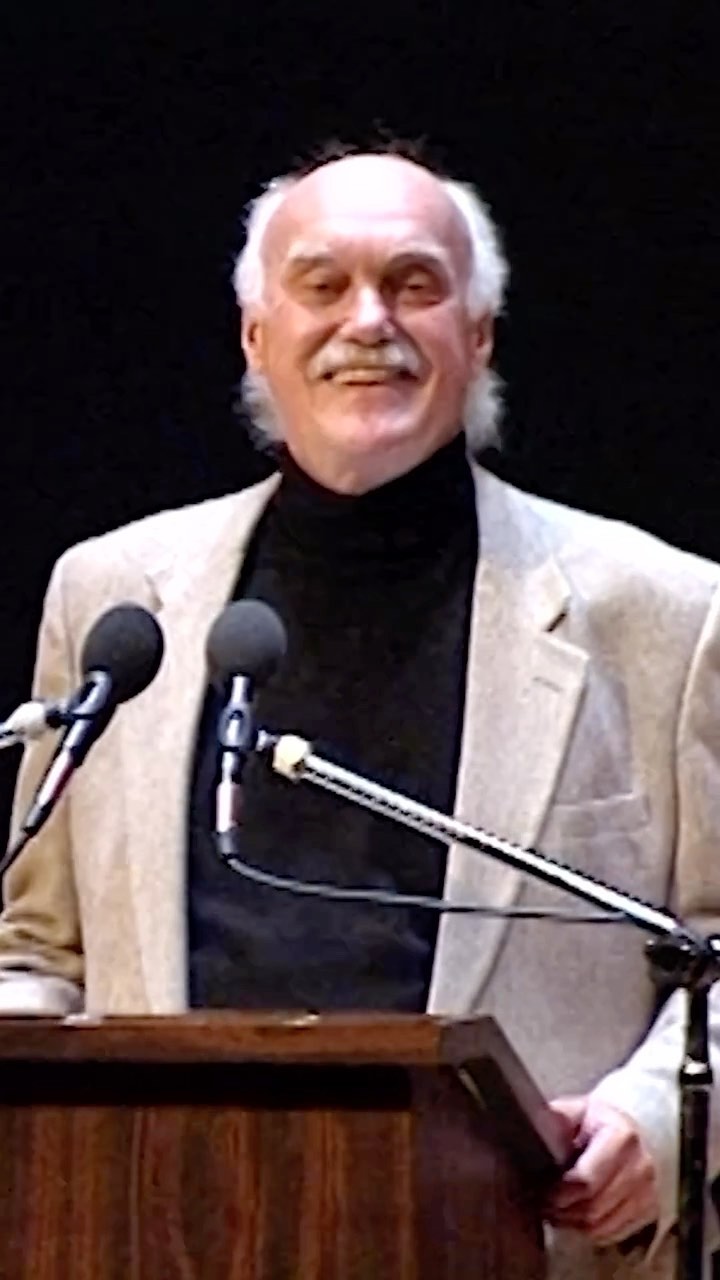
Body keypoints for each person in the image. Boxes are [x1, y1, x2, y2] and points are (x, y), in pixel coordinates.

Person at [1, 147, 720, 1279]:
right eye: (324, 285)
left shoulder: (666, 614)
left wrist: (661, 1120)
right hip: (157, 1235)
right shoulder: (114, 599)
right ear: (257, 335)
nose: (368, 321)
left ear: (479, 335)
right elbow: (40, 951)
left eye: (414, 284)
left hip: (516, 1245)